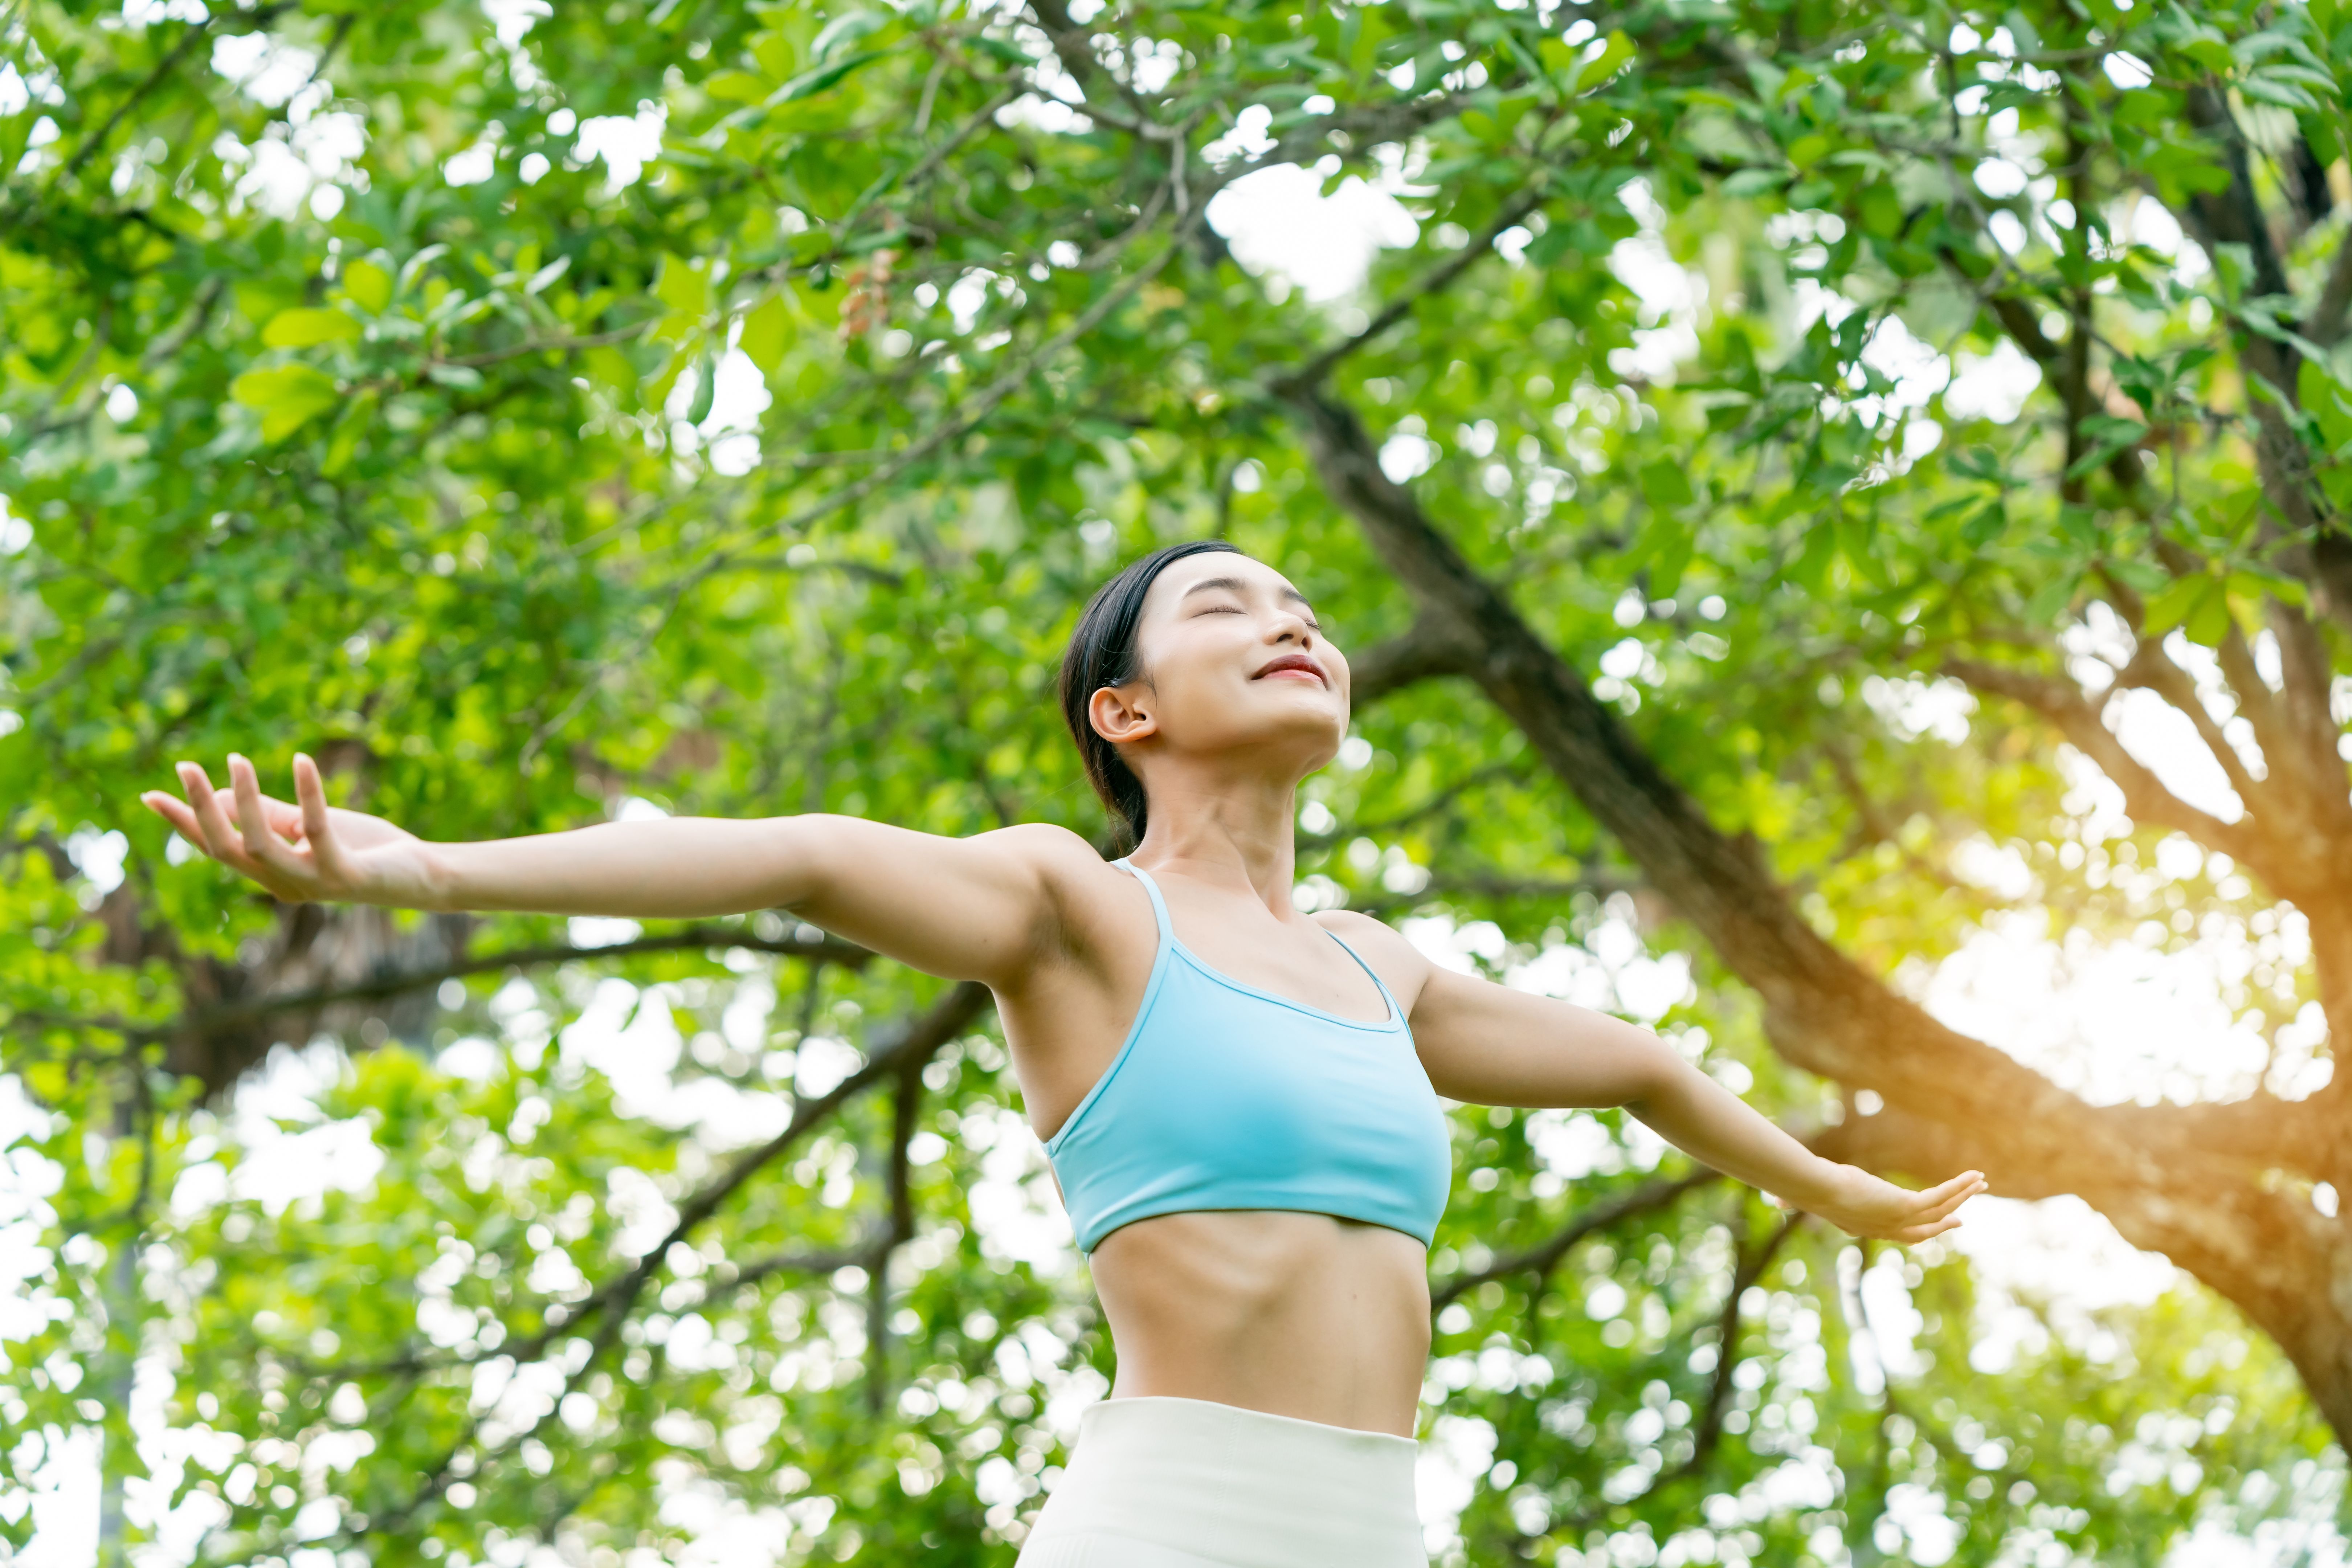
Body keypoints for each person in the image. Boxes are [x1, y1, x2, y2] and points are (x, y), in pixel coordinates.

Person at [143, 539, 1984, 1567]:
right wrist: (423, 865)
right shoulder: (1076, 914)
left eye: (1308, 609)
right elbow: (793, 852)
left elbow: (1651, 1064)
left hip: (1378, 1532)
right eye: (1228, 607)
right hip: (1175, 1523)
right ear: (1129, 712)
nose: (1295, 624)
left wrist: (1819, 1178)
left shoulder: (1379, 971)